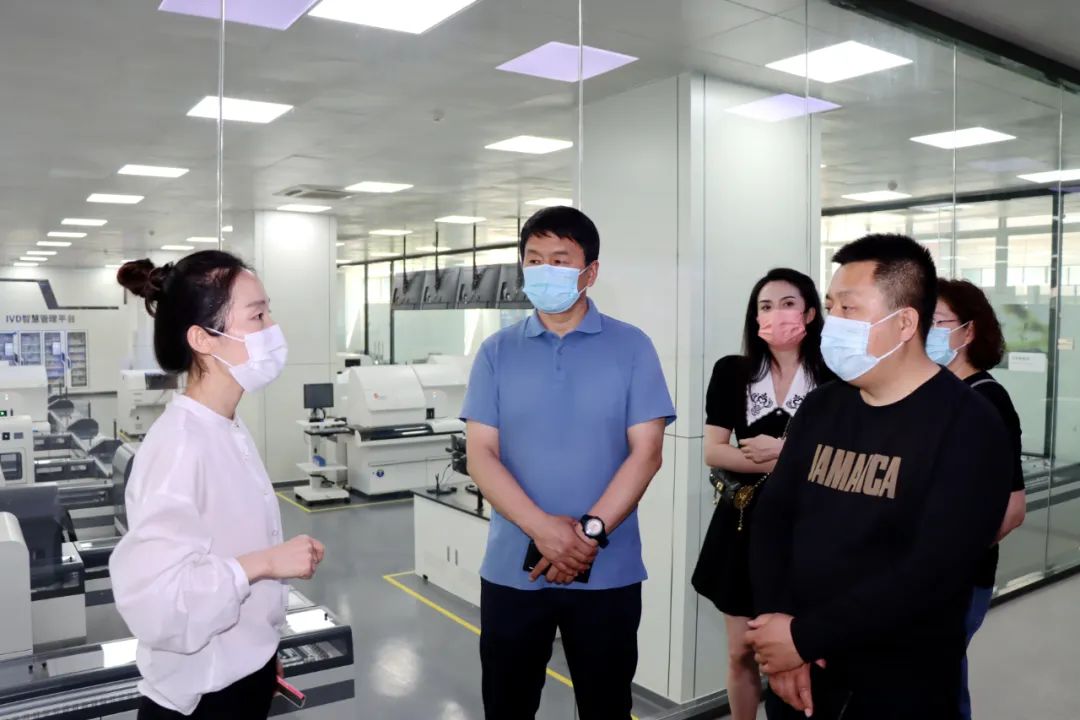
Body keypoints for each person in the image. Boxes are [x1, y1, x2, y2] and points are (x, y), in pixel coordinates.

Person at [745, 234, 1011, 719]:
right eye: (831, 307)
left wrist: (802, 638)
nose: (832, 323)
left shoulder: (969, 425)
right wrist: (777, 632)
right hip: (799, 671)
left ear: (905, 322)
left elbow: (932, 571)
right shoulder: (823, 406)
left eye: (849, 308)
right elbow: (773, 518)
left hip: (896, 684)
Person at [462, 206, 676, 720]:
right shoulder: (496, 352)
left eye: (559, 260)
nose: (544, 270)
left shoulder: (632, 347)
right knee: (507, 707)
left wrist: (587, 535)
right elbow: (480, 455)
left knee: (606, 706)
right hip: (513, 571)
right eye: (534, 259)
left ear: (590, 271)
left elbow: (646, 453)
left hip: (607, 570)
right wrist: (544, 530)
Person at [109, 251, 326, 719]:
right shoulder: (178, 447)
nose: (273, 329)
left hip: (241, 678)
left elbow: (222, 551)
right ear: (203, 338)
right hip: (199, 702)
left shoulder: (226, 426)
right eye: (258, 316)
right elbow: (160, 605)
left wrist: (259, 652)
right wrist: (267, 562)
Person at [691, 268, 834, 720]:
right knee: (742, 652)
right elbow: (714, 451)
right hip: (742, 524)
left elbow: (841, 456)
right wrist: (789, 461)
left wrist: (780, 454)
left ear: (809, 313)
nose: (776, 315)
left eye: (788, 304)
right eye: (765, 306)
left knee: (802, 649)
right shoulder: (732, 372)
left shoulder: (835, 375)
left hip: (812, 528)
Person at [930, 278, 1027, 720]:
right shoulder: (934, 393)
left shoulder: (986, 399)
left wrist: (946, 559)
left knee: (939, 683)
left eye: (937, 322)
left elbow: (1013, 508)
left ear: (968, 331)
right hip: (921, 575)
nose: (925, 333)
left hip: (959, 578)